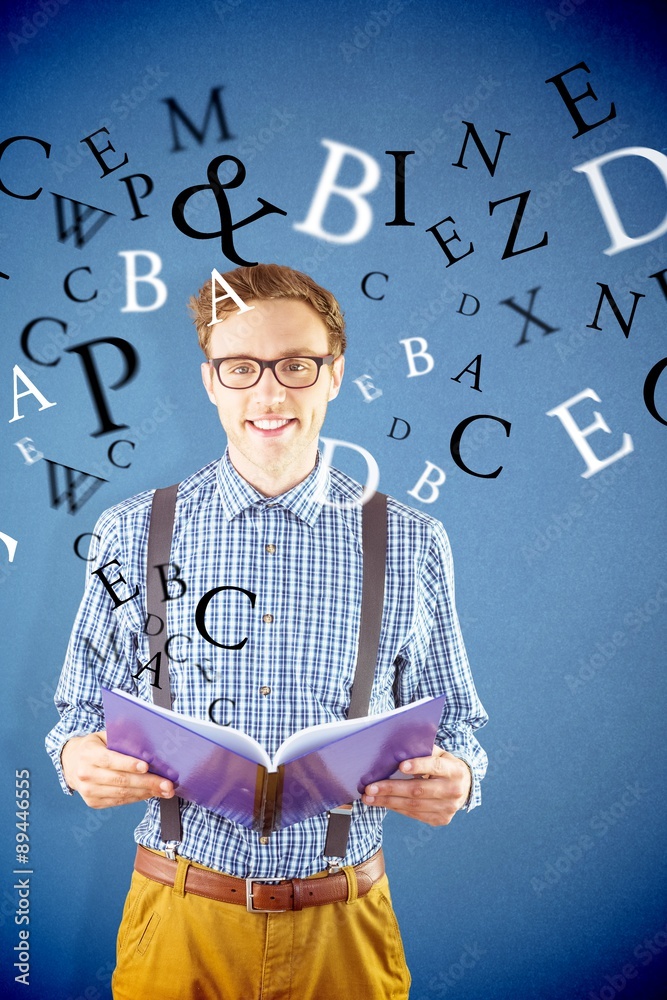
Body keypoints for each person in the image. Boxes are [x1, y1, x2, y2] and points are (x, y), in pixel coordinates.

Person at [46, 263, 488, 1000]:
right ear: (210, 380)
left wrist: (461, 778)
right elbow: (77, 716)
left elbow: (461, 728)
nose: (271, 392)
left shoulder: (411, 539)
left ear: (334, 374)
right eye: (242, 367)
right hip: (176, 920)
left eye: (296, 364)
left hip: (343, 928)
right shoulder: (130, 531)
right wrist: (74, 760)